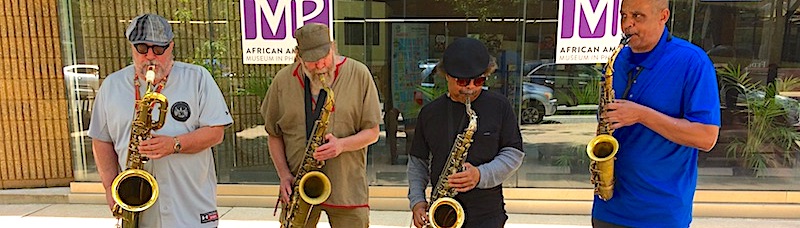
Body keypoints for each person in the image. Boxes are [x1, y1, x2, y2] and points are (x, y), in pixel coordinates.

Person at [88, 13, 233, 227]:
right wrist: (110, 188)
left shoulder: (198, 78)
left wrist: (174, 144)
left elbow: (216, 132)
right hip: (139, 210)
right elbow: (101, 140)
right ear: (132, 48)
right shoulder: (111, 85)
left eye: (158, 49)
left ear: (171, 47)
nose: (150, 56)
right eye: (142, 48)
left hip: (191, 208)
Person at [592, 0, 721, 227]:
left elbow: (706, 137)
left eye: (637, 16)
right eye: (623, 16)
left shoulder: (693, 62)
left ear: (663, 16)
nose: (627, 24)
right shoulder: (618, 60)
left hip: (660, 213)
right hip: (608, 207)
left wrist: (641, 115)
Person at [260, 23, 381, 228]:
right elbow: (274, 134)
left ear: (333, 47)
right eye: (311, 61)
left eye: (324, 57)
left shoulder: (359, 74)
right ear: (298, 56)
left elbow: (372, 132)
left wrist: (341, 145)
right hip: (299, 189)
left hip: (347, 188)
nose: (319, 65)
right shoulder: (283, 81)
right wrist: (284, 174)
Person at [407, 37, 525, 228]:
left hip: (487, 214)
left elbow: (514, 153)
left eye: (478, 80)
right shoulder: (430, 113)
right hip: (442, 214)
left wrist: (480, 175)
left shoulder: (499, 106)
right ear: (446, 76)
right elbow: (417, 162)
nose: (470, 87)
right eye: (462, 81)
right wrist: (417, 202)